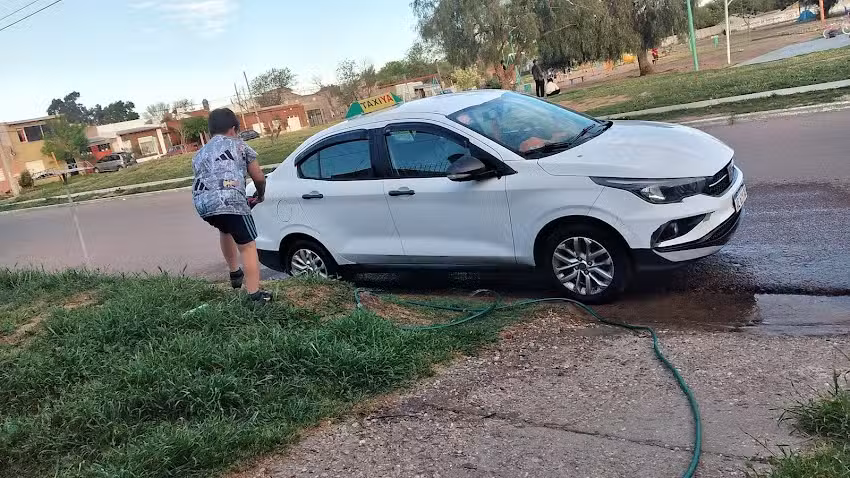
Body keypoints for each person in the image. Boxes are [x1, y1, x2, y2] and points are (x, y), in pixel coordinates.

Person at [192, 108, 272, 303]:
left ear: (211, 131)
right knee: (248, 246)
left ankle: (235, 273)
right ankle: (255, 296)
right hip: (232, 202)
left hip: (203, 204)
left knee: (225, 229)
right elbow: (259, 178)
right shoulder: (240, 146)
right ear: (234, 128)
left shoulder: (200, 153)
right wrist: (260, 195)